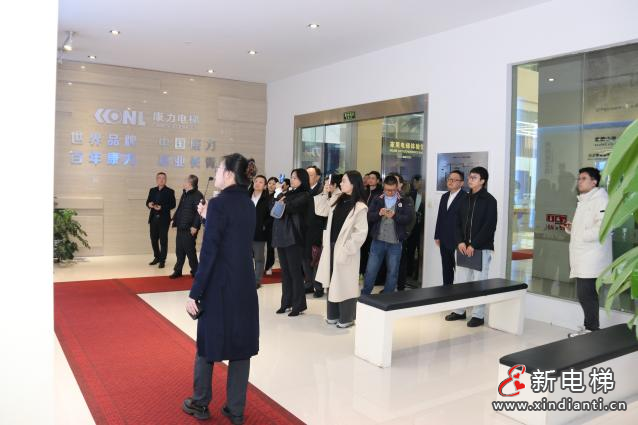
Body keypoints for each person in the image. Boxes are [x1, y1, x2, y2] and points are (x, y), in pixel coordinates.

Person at [183, 153, 259, 424]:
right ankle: (236, 410)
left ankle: (200, 402)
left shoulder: (218, 204)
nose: (215, 173)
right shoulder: (248, 203)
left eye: (218, 169)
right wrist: (208, 218)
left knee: (207, 345)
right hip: (244, 285)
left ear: (228, 175)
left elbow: (210, 253)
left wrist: (195, 292)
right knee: (241, 348)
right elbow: (233, 238)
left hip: (218, 287)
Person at [315, 171, 368, 328]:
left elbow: (360, 233)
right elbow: (320, 210)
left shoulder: (360, 207)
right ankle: (333, 315)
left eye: (344, 181)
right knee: (332, 281)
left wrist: (347, 249)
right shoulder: (338, 199)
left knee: (345, 284)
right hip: (331, 247)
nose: (341, 183)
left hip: (346, 251)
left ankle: (347, 318)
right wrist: (325, 192)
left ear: (353, 184)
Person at [445, 166, 497, 327]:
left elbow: (489, 226)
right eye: (469, 177)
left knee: (479, 283)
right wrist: (460, 242)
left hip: (480, 248)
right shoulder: (464, 198)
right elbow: (457, 223)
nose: (470, 180)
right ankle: (459, 311)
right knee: (461, 280)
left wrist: (474, 244)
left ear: (482, 181)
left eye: (474, 177)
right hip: (463, 247)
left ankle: (478, 315)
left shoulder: (489, 200)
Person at [564, 167, 612, 337]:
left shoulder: (601, 199)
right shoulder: (584, 200)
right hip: (584, 254)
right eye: (579, 178)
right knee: (586, 294)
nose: (579, 181)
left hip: (592, 256)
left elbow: (604, 227)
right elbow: (586, 226)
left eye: (583, 178)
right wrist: (573, 228)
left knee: (586, 294)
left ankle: (592, 330)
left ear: (594, 182)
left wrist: (581, 234)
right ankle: (590, 328)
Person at [362, 175, 414, 295]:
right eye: (387, 190)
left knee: (393, 271)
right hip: (377, 241)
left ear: (397, 187)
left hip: (395, 243)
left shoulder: (404, 200)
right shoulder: (377, 198)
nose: (389, 193)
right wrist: (379, 214)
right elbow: (369, 216)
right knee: (371, 270)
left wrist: (394, 216)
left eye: (392, 190)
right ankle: (365, 294)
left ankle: (387, 296)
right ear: (383, 187)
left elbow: (408, 219)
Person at [271, 169, 312, 317]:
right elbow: (274, 208)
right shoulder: (288, 193)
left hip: (294, 237)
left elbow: (290, 207)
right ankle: (286, 302)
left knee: (295, 272)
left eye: (295, 178)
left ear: (302, 179)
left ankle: (298, 305)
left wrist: (280, 195)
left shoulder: (305, 195)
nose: (292, 180)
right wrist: (279, 195)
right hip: (281, 236)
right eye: (292, 177)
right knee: (285, 272)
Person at [434, 170, 468, 285]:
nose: (450, 182)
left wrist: (463, 240)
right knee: (446, 267)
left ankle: (457, 293)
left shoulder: (466, 197)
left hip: (458, 240)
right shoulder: (444, 196)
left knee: (459, 270)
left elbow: (465, 221)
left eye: (454, 180)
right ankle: (446, 290)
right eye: (449, 179)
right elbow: (440, 217)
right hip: (444, 238)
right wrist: (437, 235)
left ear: (461, 183)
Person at [170, 175, 204, 278]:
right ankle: (178, 271)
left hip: (189, 228)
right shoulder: (185, 194)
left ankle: (196, 271)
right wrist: (174, 219)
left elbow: (199, 213)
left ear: (190, 183)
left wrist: (195, 226)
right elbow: (179, 208)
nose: (183, 182)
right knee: (179, 251)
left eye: (185, 181)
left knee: (190, 251)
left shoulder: (197, 195)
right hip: (181, 226)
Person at [390, 173, 417, 291]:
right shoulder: (384, 197)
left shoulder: (406, 199)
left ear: (401, 184)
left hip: (400, 236)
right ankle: (390, 287)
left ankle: (400, 288)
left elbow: (412, 219)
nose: (392, 183)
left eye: (395, 181)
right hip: (386, 236)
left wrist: (406, 233)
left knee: (400, 262)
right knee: (389, 263)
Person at [303, 165, 327, 297]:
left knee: (316, 258)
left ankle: (318, 287)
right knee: (305, 258)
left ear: (317, 177)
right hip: (304, 229)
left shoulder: (322, 190)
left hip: (317, 229)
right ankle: (308, 284)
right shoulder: (303, 189)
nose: (307, 177)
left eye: (310, 175)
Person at [146, 172, 176, 269]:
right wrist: (149, 204)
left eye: (163, 178)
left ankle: (162, 260)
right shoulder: (152, 190)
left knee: (163, 240)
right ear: (156, 180)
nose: (161, 180)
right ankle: (157, 257)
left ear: (165, 180)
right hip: (153, 219)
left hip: (164, 220)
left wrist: (162, 207)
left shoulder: (170, 191)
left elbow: (173, 205)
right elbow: (147, 202)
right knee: (153, 239)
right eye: (159, 178)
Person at [250, 175, 272, 289]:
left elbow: (271, 216)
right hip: (245, 233)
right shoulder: (246, 196)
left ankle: (257, 280)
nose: (257, 183)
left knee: (258, 258)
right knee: (245, 258)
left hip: (259, 233)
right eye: (256, 181)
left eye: (261, 182)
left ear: (265, 186)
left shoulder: (267, 199)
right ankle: (247, 279)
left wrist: (264, 225)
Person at [406, 174, 425, 281]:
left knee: (421, 252)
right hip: (412, 228)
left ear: (420, 182)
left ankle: (418, 275)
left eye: (415, 182)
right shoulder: (411, 195)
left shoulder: (426, 195)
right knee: (410, 250)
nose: (413, 184)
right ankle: (408, 272)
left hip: (422, 229)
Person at [264, 177, 279, 276]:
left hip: (272, 224)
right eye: (270, 183)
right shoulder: (262, 194)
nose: (271, 185)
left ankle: (269, 266)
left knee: (270, 247)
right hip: (261, 224)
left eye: (274, 184)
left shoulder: (277, 196)